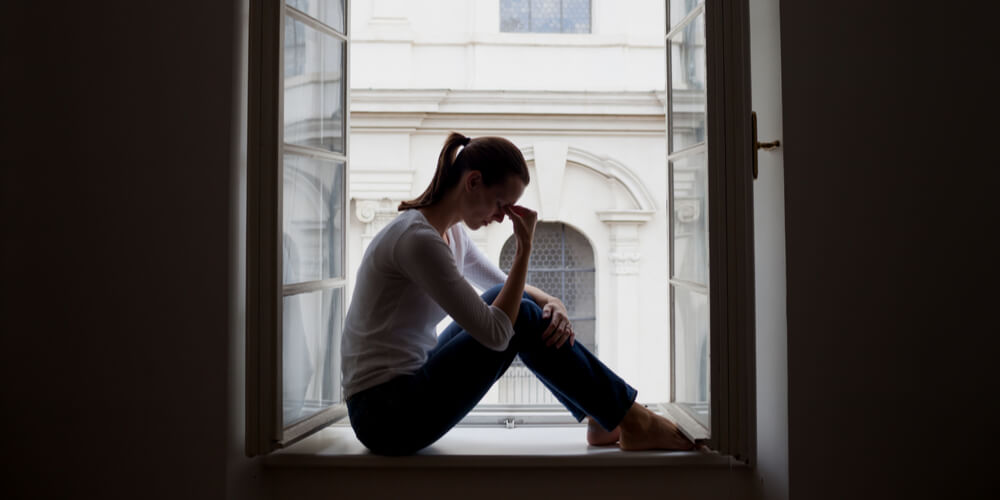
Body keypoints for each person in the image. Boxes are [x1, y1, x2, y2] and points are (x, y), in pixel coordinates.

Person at [341, 132, 694, 456]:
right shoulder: (418, 241)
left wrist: (550, 300)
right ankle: (631, 419)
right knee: (519, 318)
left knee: (510, 300)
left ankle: (604, 417)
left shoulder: (450, 233)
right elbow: (497, 335)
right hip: (385, 415)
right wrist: (524, 246)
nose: (501, 217)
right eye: (500, 205)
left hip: (406, 389)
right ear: (473, 181)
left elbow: (500, 283)